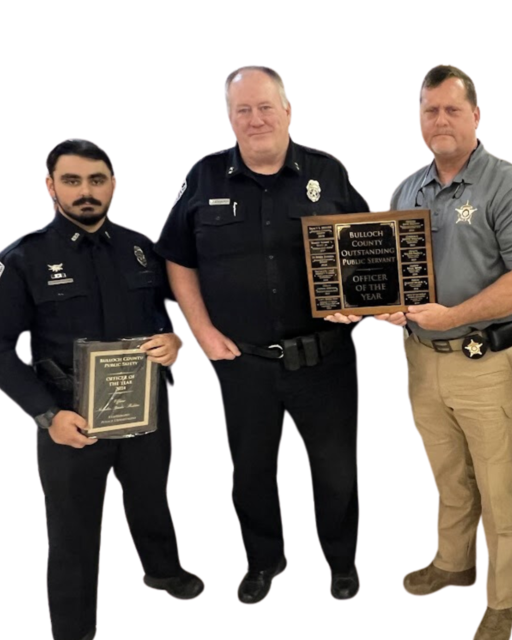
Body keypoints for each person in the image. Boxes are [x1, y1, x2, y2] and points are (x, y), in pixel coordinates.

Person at [155, 66, 368, 604]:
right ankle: (264, 560)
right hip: (243, 364)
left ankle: (341, 562)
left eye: (265, 107)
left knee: (337, 473)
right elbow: (177, 259)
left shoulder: (328, 172)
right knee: (250, 475)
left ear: (287, 110)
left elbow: (370, 250)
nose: (255, 119)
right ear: (230, 117)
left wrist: (360, 307)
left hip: (325, 361)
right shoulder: (204, 177)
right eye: (242, 110)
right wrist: (200, 331)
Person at [0, 139, 202, 640]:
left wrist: (172, 341)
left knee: (150, 496)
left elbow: (167, 311)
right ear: (50, 186)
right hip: (70, 419)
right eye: (73, 180)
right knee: (72, 531)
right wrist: (46, 415)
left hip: (144, 409)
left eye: (97, 180)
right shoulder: (24, 259)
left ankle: (162, 569)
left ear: (113, 184)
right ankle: (75, 629)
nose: (86, 192)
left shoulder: (140, 249)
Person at [383, 65, 512, 640]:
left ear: (476, 115)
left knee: (499, 487)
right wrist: (372, 306)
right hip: (421, 360)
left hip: (486, 360)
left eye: (453, 109)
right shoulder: (407, 190)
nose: (441, 120)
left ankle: (502, 602)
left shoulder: (508, 185)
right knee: (450, 475)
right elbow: (397, 281)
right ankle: (454, 562)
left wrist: (452, 316)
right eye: (431, 110)